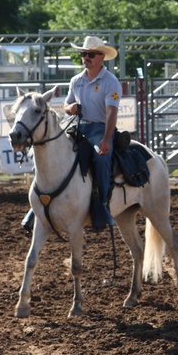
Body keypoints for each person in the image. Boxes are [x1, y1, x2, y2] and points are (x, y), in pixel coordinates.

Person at [21, 36, 120, 231]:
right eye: (84, 54)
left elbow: (112, 113)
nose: (86, 57)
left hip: (99, 128)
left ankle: (101, 204)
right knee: (49, 151)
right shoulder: (76, 80)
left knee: (101, 158)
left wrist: (107, 139)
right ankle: (38, 202)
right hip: (77, 125)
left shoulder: (111, 82)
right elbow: (66, 105)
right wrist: (70, 108)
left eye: (91, 54)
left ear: (101, 57)